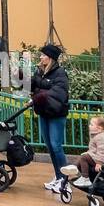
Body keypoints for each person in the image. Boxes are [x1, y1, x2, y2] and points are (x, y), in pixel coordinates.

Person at [30, 42, 71, 193]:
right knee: (50, 147)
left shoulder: (60, 73)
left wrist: (41, 96)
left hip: (56, 114)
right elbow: (33, 85)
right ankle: (58, 175)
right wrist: (20, 78)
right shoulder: (40, 72)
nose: (40, 57)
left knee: (56, 146)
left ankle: (65, 181)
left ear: (50, 58)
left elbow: (59, 93)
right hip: (44, 112)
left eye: (43, 55)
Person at [64, 115, 104, 189]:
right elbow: (95, 149)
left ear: (99, 128)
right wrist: (89, 153)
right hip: (101, 157)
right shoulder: (98, 135)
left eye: (91, 124)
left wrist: (99, 163)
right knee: (83, 156)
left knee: (84, 157)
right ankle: (73, 168)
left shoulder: (102, 137)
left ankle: (85, 178)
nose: (89, 126)